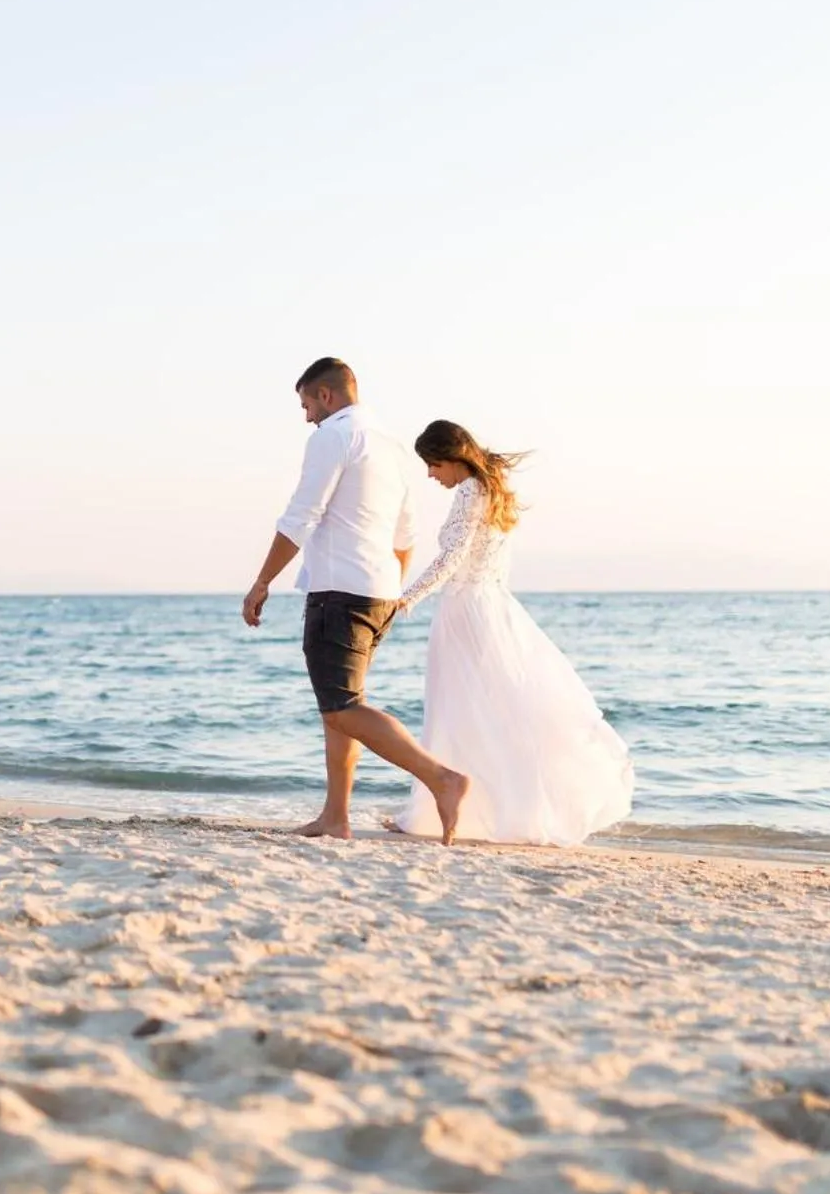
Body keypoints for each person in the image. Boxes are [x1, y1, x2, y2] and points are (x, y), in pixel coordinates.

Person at [243, 359, 470, 843]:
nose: (306, 416)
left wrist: (262, 581)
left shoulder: (332, 436)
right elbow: (406, 532)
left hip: (338, 591)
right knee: (341, 705)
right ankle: (335, 817)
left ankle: (442, 779)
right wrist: (386, 584)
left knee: (341, 707)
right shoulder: (389, 445)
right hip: (378, 592)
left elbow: (301, 516)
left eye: (306, 405)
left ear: (326, 396)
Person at [388, 420, 634, 844]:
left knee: (458, 711)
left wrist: (405, 598)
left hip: (466, 612)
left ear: (451, 459)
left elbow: (451, 558)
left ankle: (446, 813)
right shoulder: (493, 489)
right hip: (492, 606)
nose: (431, 475)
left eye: (432, 465)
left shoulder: (469, 492)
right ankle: (460, 812)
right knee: (487, 713)